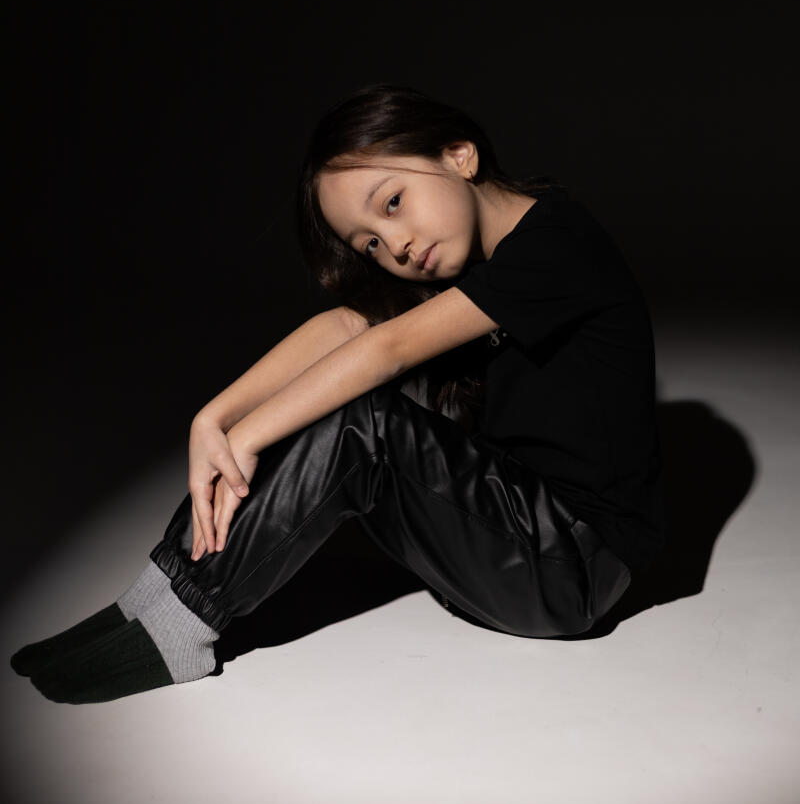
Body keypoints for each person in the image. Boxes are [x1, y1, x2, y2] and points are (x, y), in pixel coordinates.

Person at [10, 82, 665, 704]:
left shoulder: (556, 242)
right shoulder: (477, 256)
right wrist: (215, 417)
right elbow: (350, 325)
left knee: (361, 420)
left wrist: (249, 435)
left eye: (392, 202)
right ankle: (155, 596)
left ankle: (183, 620)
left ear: (459, 155)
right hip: (517, 532)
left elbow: (387, 349)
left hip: (576, 568)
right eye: (370, 242)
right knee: (324, 399)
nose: (396, 246)